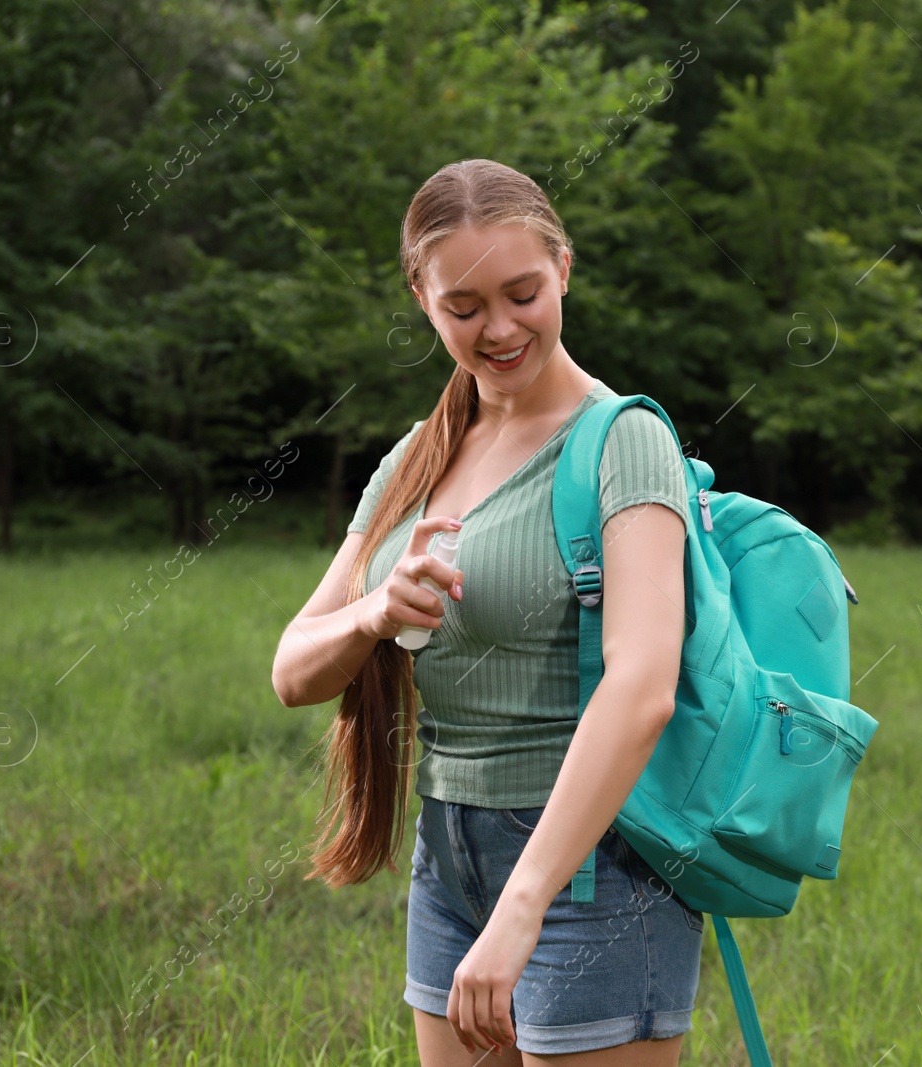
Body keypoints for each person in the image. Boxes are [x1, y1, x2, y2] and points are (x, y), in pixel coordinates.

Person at [270, 158, 703, 1065]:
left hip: (592, 868)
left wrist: (523, 908)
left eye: (523, 293)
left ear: (564, 270)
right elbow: (293, 671)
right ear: (422, 301)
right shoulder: (416, 460)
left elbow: (643, 685)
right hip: (450, 854)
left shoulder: (625, 442)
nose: (498, 327)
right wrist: (376, 612)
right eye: (463, 307)